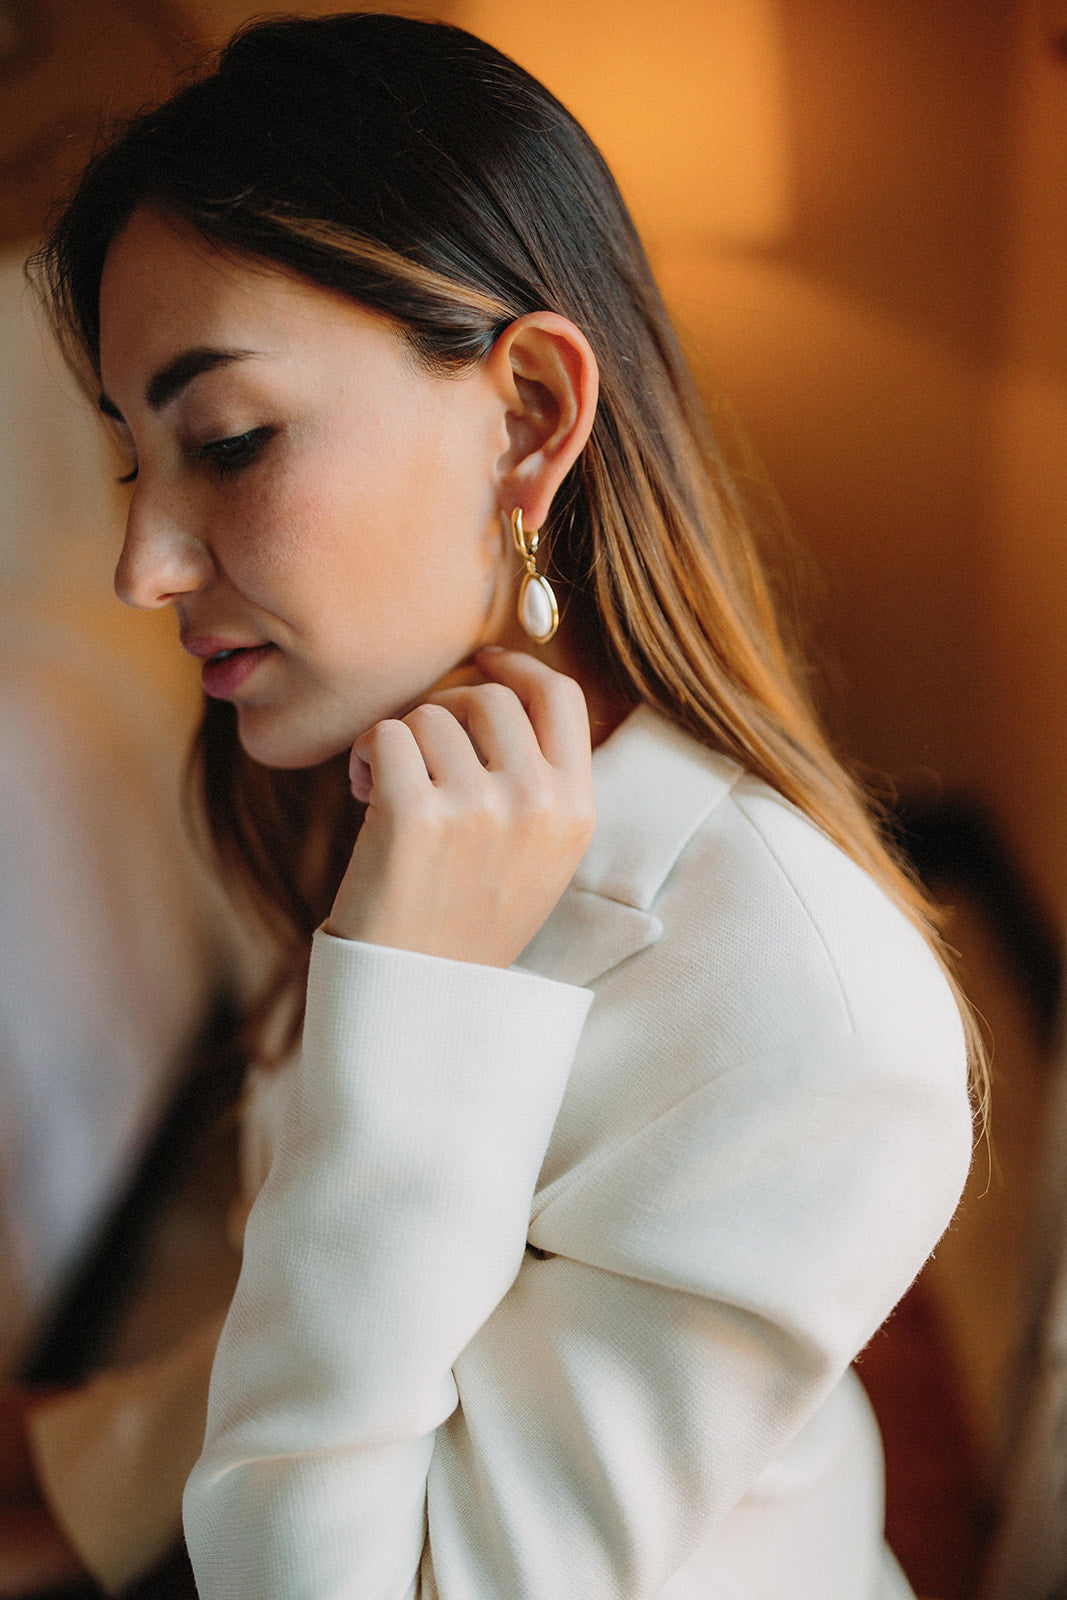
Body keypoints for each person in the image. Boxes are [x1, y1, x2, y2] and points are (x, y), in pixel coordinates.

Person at [4, 11, 977, 1597]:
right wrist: (64, 1466)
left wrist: (423, 1008)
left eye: (230, 442)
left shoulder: (814, 1015)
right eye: (132, 464)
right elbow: (345, 1319)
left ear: (529, 413)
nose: (141, 568)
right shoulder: (396, 799)